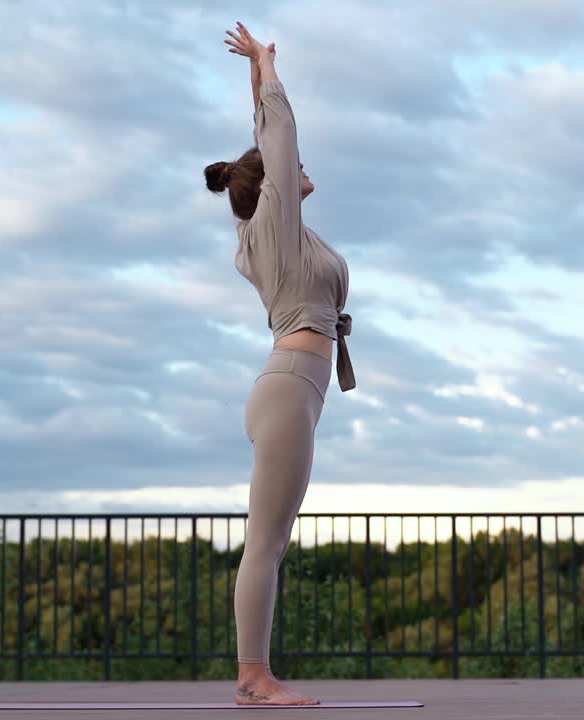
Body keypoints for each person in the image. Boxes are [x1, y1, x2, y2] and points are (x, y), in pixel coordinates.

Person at [204, 22, 356, 707]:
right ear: (274, 188)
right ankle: (252, 675)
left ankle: (253, 671)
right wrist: (267, 66)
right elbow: (275, 139)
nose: (302, 164)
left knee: (271, 541)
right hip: (290, 389)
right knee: (266, 543)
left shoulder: (274, 234)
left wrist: (256, 81)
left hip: (293, 389)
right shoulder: (274, 228)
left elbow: (263, 142)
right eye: (290, 165)